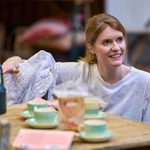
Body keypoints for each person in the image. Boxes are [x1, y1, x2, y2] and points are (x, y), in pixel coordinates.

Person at [2, 13, 150, 124]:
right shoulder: (77, 72)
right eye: (106, 42)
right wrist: (12, 59)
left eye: (119, 39)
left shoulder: (145, 82)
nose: (116, 48)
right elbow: (33, 67)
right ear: (91, 47)